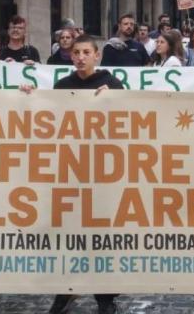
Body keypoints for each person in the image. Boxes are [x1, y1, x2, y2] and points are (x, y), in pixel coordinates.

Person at [22, 34, 123, 314]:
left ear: (96, 55)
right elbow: (51, 117)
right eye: (75, 52)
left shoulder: (112, 84)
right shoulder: (62, 85)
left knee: (102, 235)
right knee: (67, 233)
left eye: (85, 52)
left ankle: (105, 297)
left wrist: (114, 99)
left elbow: (127, 118)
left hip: (102, 170)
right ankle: (66, 289)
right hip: (70, 169)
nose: (79, 57)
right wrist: (31, 96)